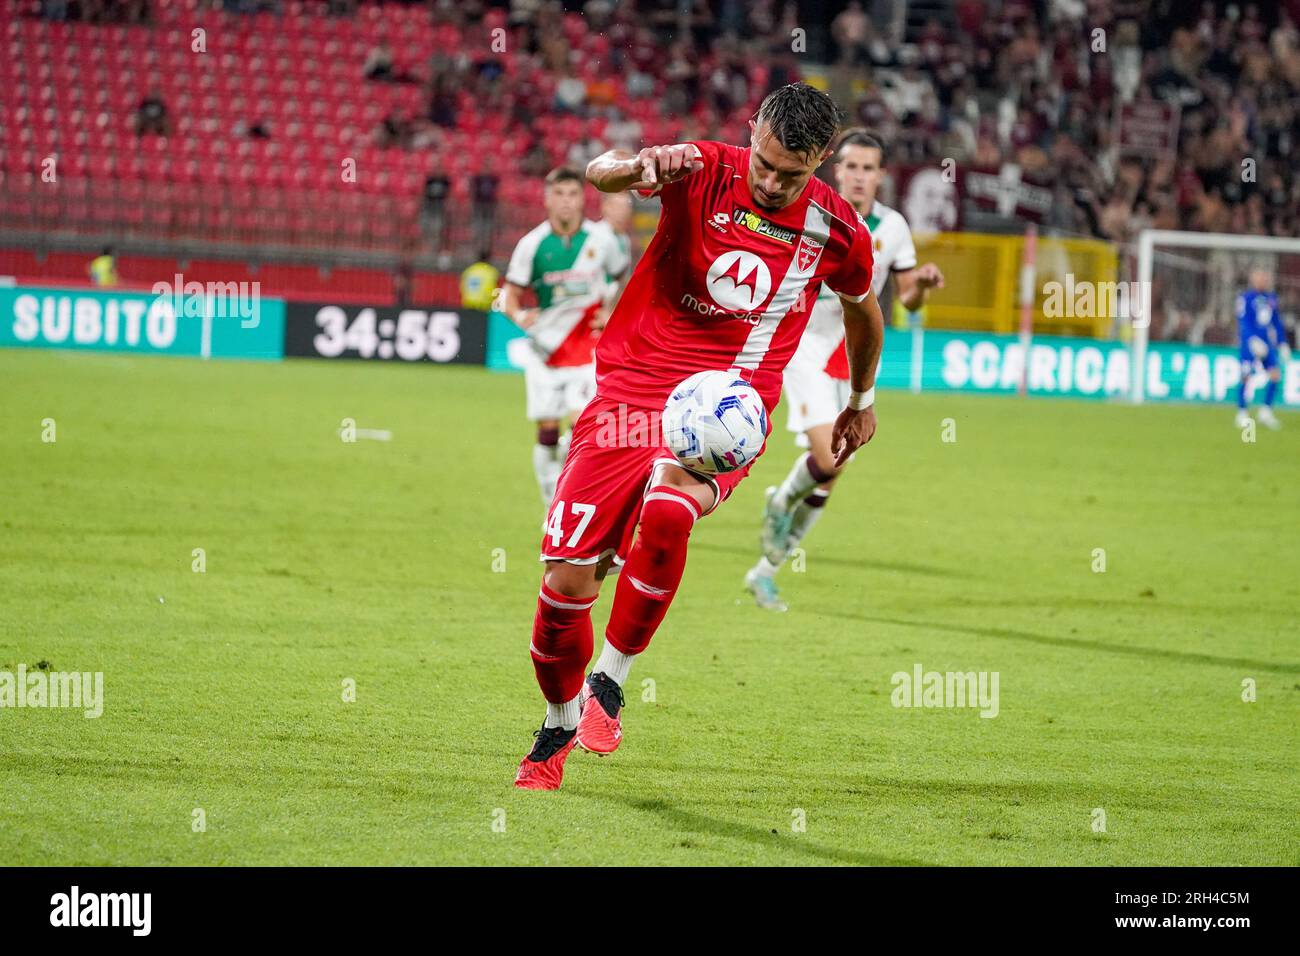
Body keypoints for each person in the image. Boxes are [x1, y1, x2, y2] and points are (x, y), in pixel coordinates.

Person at [513, 83, 885, 790]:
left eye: (793, 173)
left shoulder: (836, 230)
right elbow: (603, 173)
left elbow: (863, 310)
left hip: (723, 408)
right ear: (752, 132)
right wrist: (641, 168)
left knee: (668, 506)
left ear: (823, 160)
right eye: (765, 163)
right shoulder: (701, 167)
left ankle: (611, 682)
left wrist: (861, 400)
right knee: (563, 589)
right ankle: (560, 719)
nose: (773, 183)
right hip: (628, 392)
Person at [746, 129, 944, 611]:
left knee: (833, 472)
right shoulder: (815, 207)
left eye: (868, 168)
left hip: (850, 354)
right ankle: (778, 504)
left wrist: (922, 286)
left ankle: (765, 572)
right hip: (802, 344)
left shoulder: (893, 228)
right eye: (851, 166)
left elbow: (905, 301)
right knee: (831, 458)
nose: (859, 176)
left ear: (880, 175)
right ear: (838, 170)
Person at [498, 167, 630, 511]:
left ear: (581, 199)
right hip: (546, 354)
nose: (567, 202)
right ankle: (549, 506)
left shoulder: (601, 240)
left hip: (587, 354)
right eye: (560, 194)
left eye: (573, 194)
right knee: (547, 434)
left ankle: (569, 503)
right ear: (547, 200)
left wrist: (612, 310)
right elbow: (509, 295)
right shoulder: (532, 245)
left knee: (579, 431)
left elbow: (622, 276)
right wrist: (518, 314)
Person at [1234, 268, 1289, 430]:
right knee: (1246, 375)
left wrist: (1282, 343)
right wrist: (1251, 339)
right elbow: (1243, 322)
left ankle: (1266, 411)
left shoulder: (1271, 298)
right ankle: (1242, 412)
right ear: (1253, 280)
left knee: (1275, 374)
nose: (1262, 281)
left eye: (1264, 278)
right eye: (1259, 278)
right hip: (1249, 343)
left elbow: (1276, 322)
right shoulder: (1245, 298)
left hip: (1266, 343)